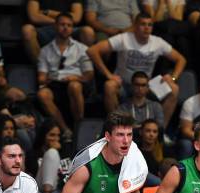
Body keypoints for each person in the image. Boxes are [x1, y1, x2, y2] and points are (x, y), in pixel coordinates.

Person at [86, 12, 184, 121]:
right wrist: (108, 74)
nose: (146, 28)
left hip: (147, 85)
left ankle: (160, 131)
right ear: (135, 26)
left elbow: (181, 60)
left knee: (174, 89)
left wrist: (173, 77)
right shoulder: (123, 38)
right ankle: (116, 127)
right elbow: (92, 51)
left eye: (149, 25)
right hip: (123, 84)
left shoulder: (157, 42)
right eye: (143, 24)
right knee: (109, 86)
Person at [37, 12, 94, 142]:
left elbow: (89, 75)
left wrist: (76, 78)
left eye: (69, 25)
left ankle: (79, 127)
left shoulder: (81, 48)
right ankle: (65, 130)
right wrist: (48, 79)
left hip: (76, 83)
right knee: (42, 94)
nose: (65, 28)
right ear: (55, 26)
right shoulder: (45, 50)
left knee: (74, 86)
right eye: (62, 24)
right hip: (55, 83)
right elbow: (41, 77)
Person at [21, 0, 95, 63]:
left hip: (68, 28)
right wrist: (58, 22)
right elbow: (34, 16)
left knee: (88, 32)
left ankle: (77, 68)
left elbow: (76, 18)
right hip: (44, 29)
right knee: (27, 30)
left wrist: (48, 12)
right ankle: (41, 67)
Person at [26, 118, 68, 193]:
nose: (56, 139)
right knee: (52, 153)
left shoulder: (65, 151)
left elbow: (67, 174)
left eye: (58, 135)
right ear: (43, 136)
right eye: (52, 135)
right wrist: (52, 151)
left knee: (53, 152)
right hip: (40, 187)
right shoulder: (33, 154)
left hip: (60, 186)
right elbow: (34, 174)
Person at [137, 118, 164, 186]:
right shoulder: (135, 150)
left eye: (155, 132)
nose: (151, 134)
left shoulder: (164, 150)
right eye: (148, 131)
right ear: (141, 132)